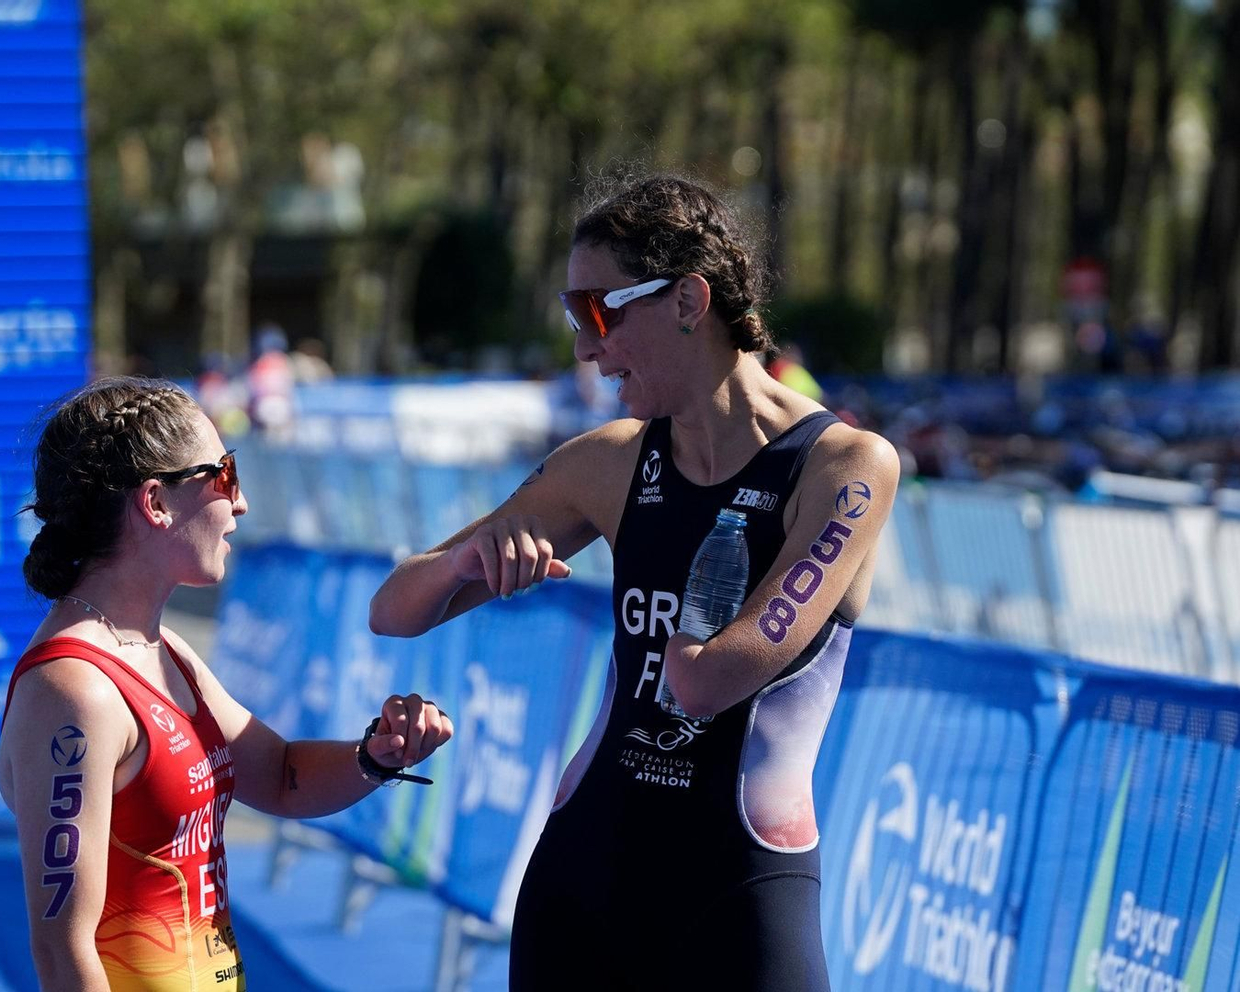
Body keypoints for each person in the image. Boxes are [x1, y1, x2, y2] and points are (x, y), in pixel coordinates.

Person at [368, 172, 899, 990]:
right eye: (571, 313)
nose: (586, 348)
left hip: (743, 887)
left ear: (688, 299)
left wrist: (701, 587)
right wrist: (466, 563)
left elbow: (706, 683)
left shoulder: (845, 467)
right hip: (591, 875)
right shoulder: (610, 462)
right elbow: (394, 610)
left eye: (598, 310)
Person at [0, 376, 453, 992]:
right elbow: (61, 951)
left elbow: (281, 776)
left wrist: (376, 755)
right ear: (156, 503)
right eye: (225, 475)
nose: (241, 503)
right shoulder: (74, 689)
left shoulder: (163, 652)